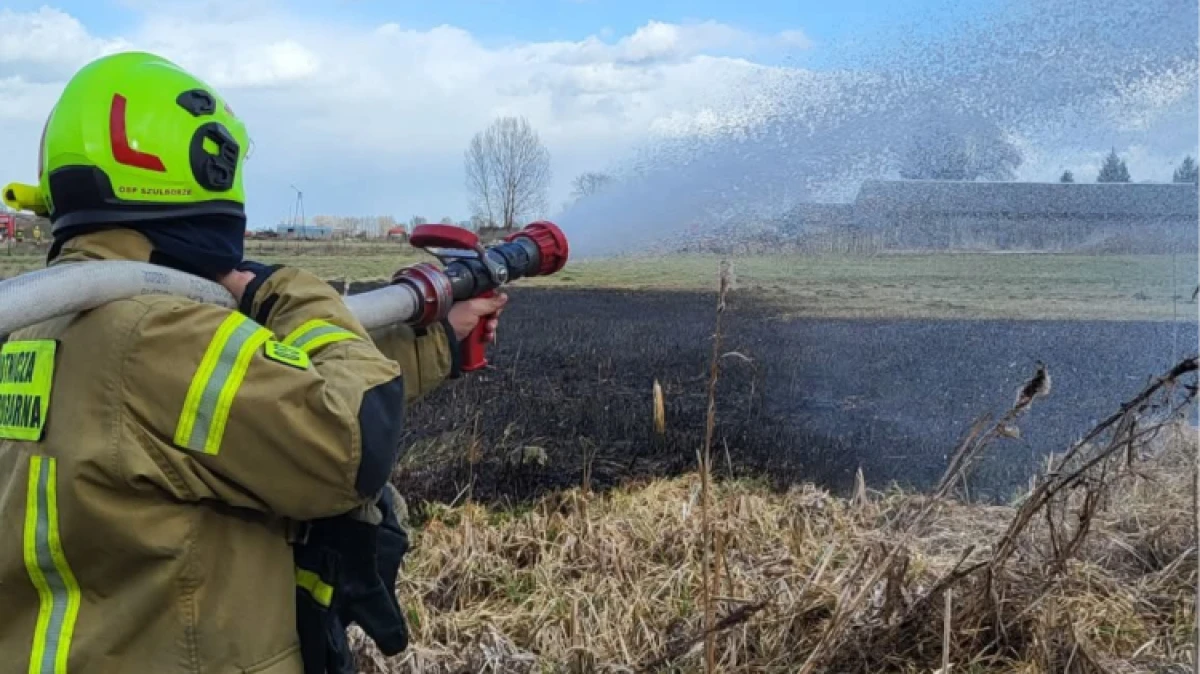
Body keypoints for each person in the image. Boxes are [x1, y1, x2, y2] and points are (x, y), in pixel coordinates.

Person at [0, 51, 507, 673]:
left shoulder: (42, 322)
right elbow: (349, 439)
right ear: (203, 163)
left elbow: (263, 400)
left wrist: (438, 342)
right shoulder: (156, 330)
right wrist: (282, 289)